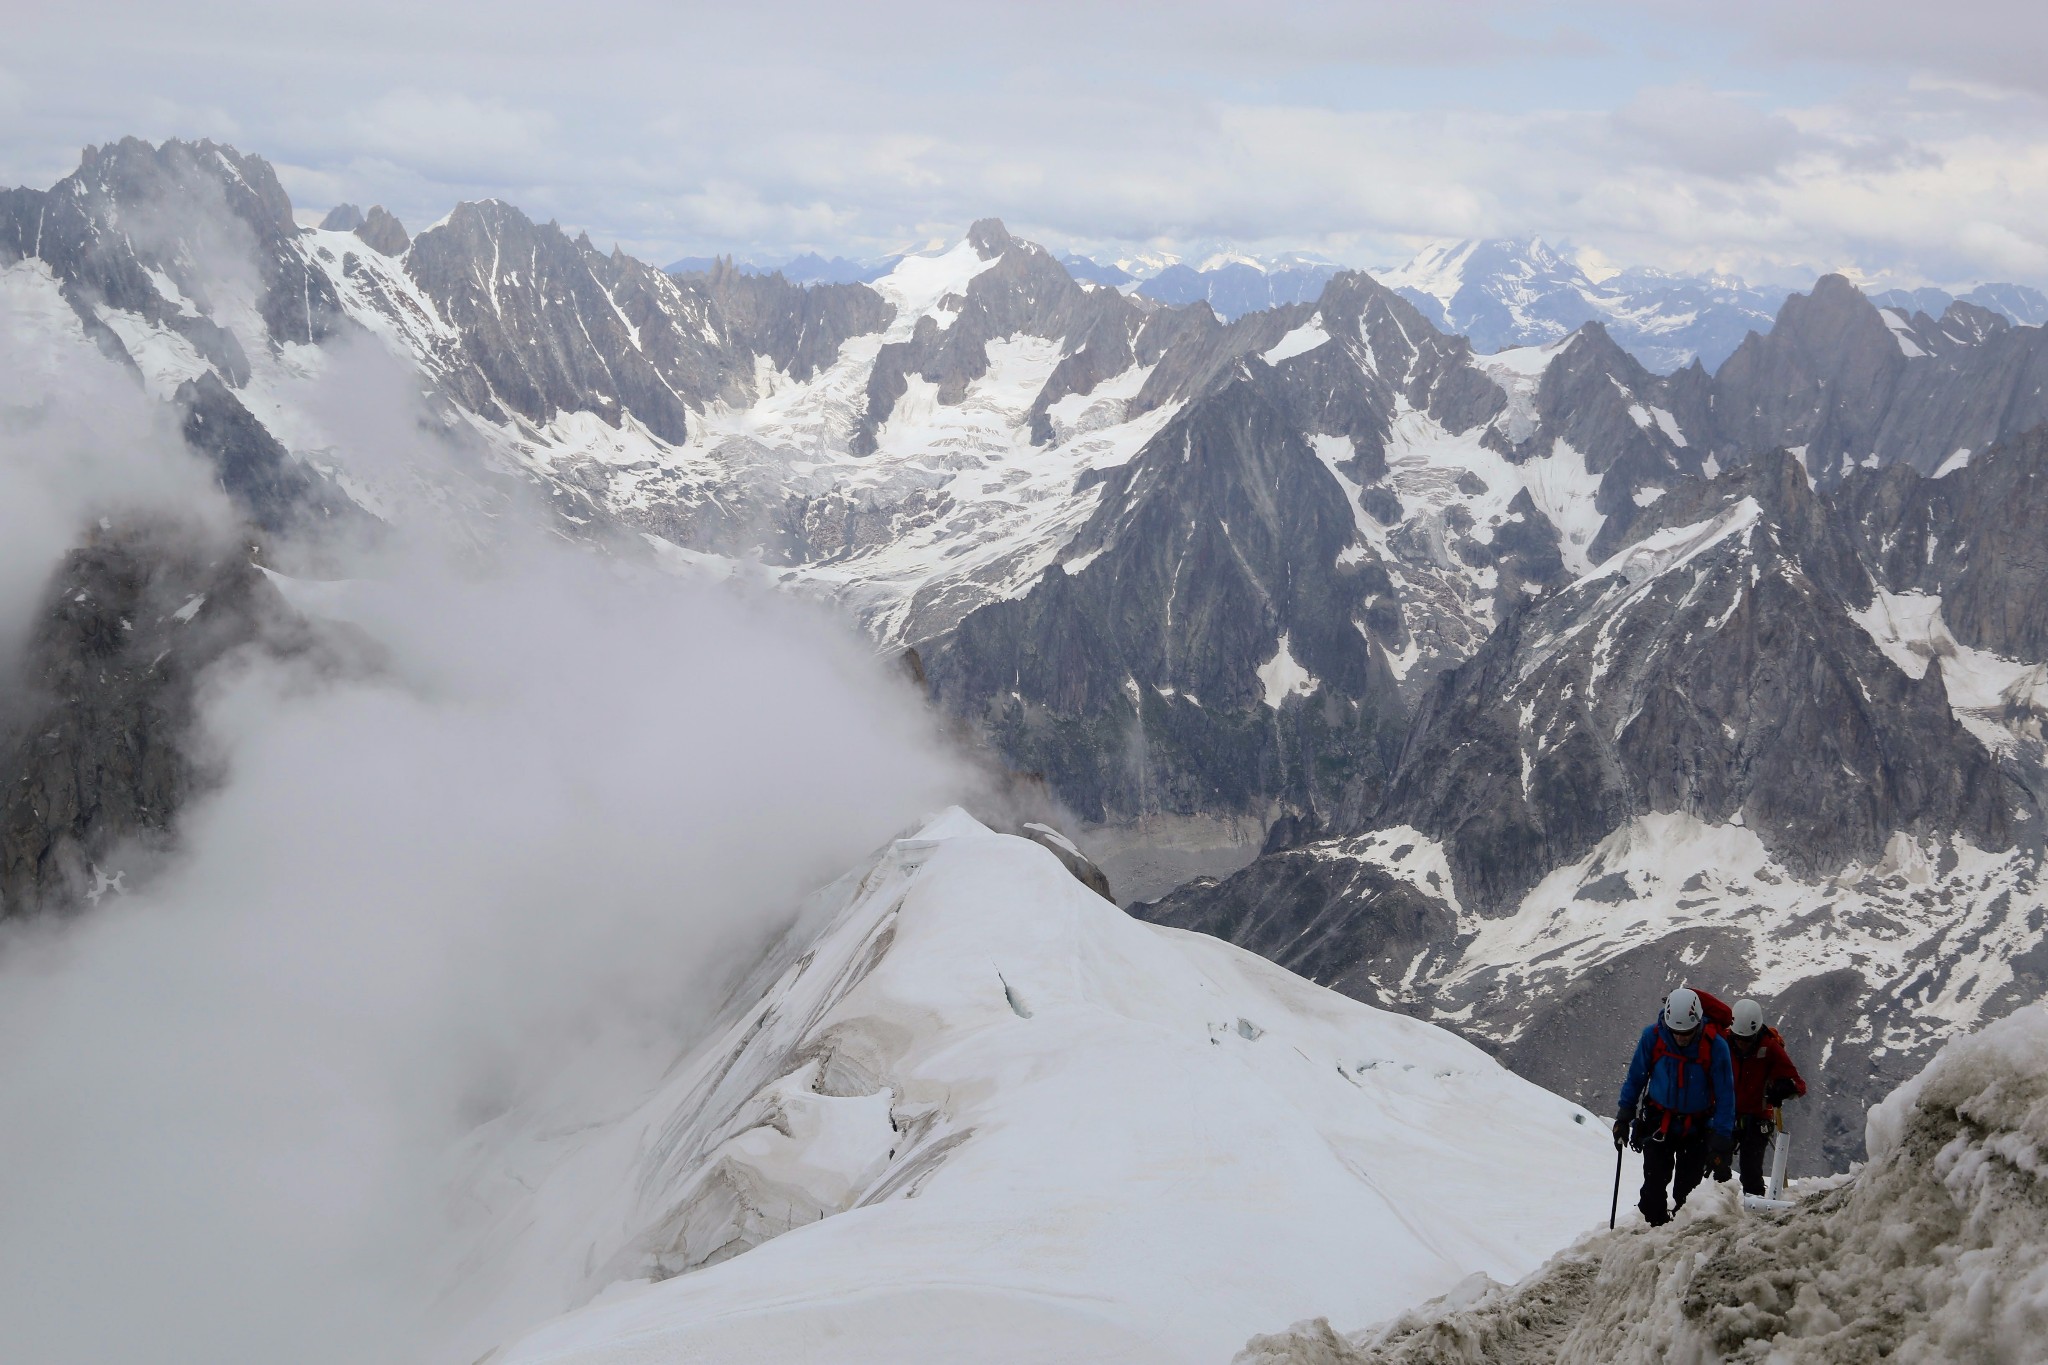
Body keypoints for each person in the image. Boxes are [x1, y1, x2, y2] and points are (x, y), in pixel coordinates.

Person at [1614, 986, 1736, 1225]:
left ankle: (1676, 1242)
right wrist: (1623, 1115)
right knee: (1652, 1193)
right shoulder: (1653, 1037)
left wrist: (1722, 1138)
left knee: (1687, 1197)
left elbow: (1725, 1095)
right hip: (1659, 1125)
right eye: (1676, 1032)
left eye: (1687, 1032)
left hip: (1698, 1129)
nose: (1680, 1037)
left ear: (1698, 1023)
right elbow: (1636, 1077)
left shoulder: (1715, 1046)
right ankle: (1657, 1229)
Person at [1726, 998, 1807, 1196]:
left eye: (1746, 1039)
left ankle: (1754, 1214)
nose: (1741, 1043)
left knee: (1750, 1173)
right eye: (1738, 1038)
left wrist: (1784, 1087)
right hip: (1727, 1114)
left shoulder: (1769, 1047)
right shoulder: (1725, 1041)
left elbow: (1799, 1085)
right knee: (1715, 1166)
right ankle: (1711, 1211)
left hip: (1757, 1117)